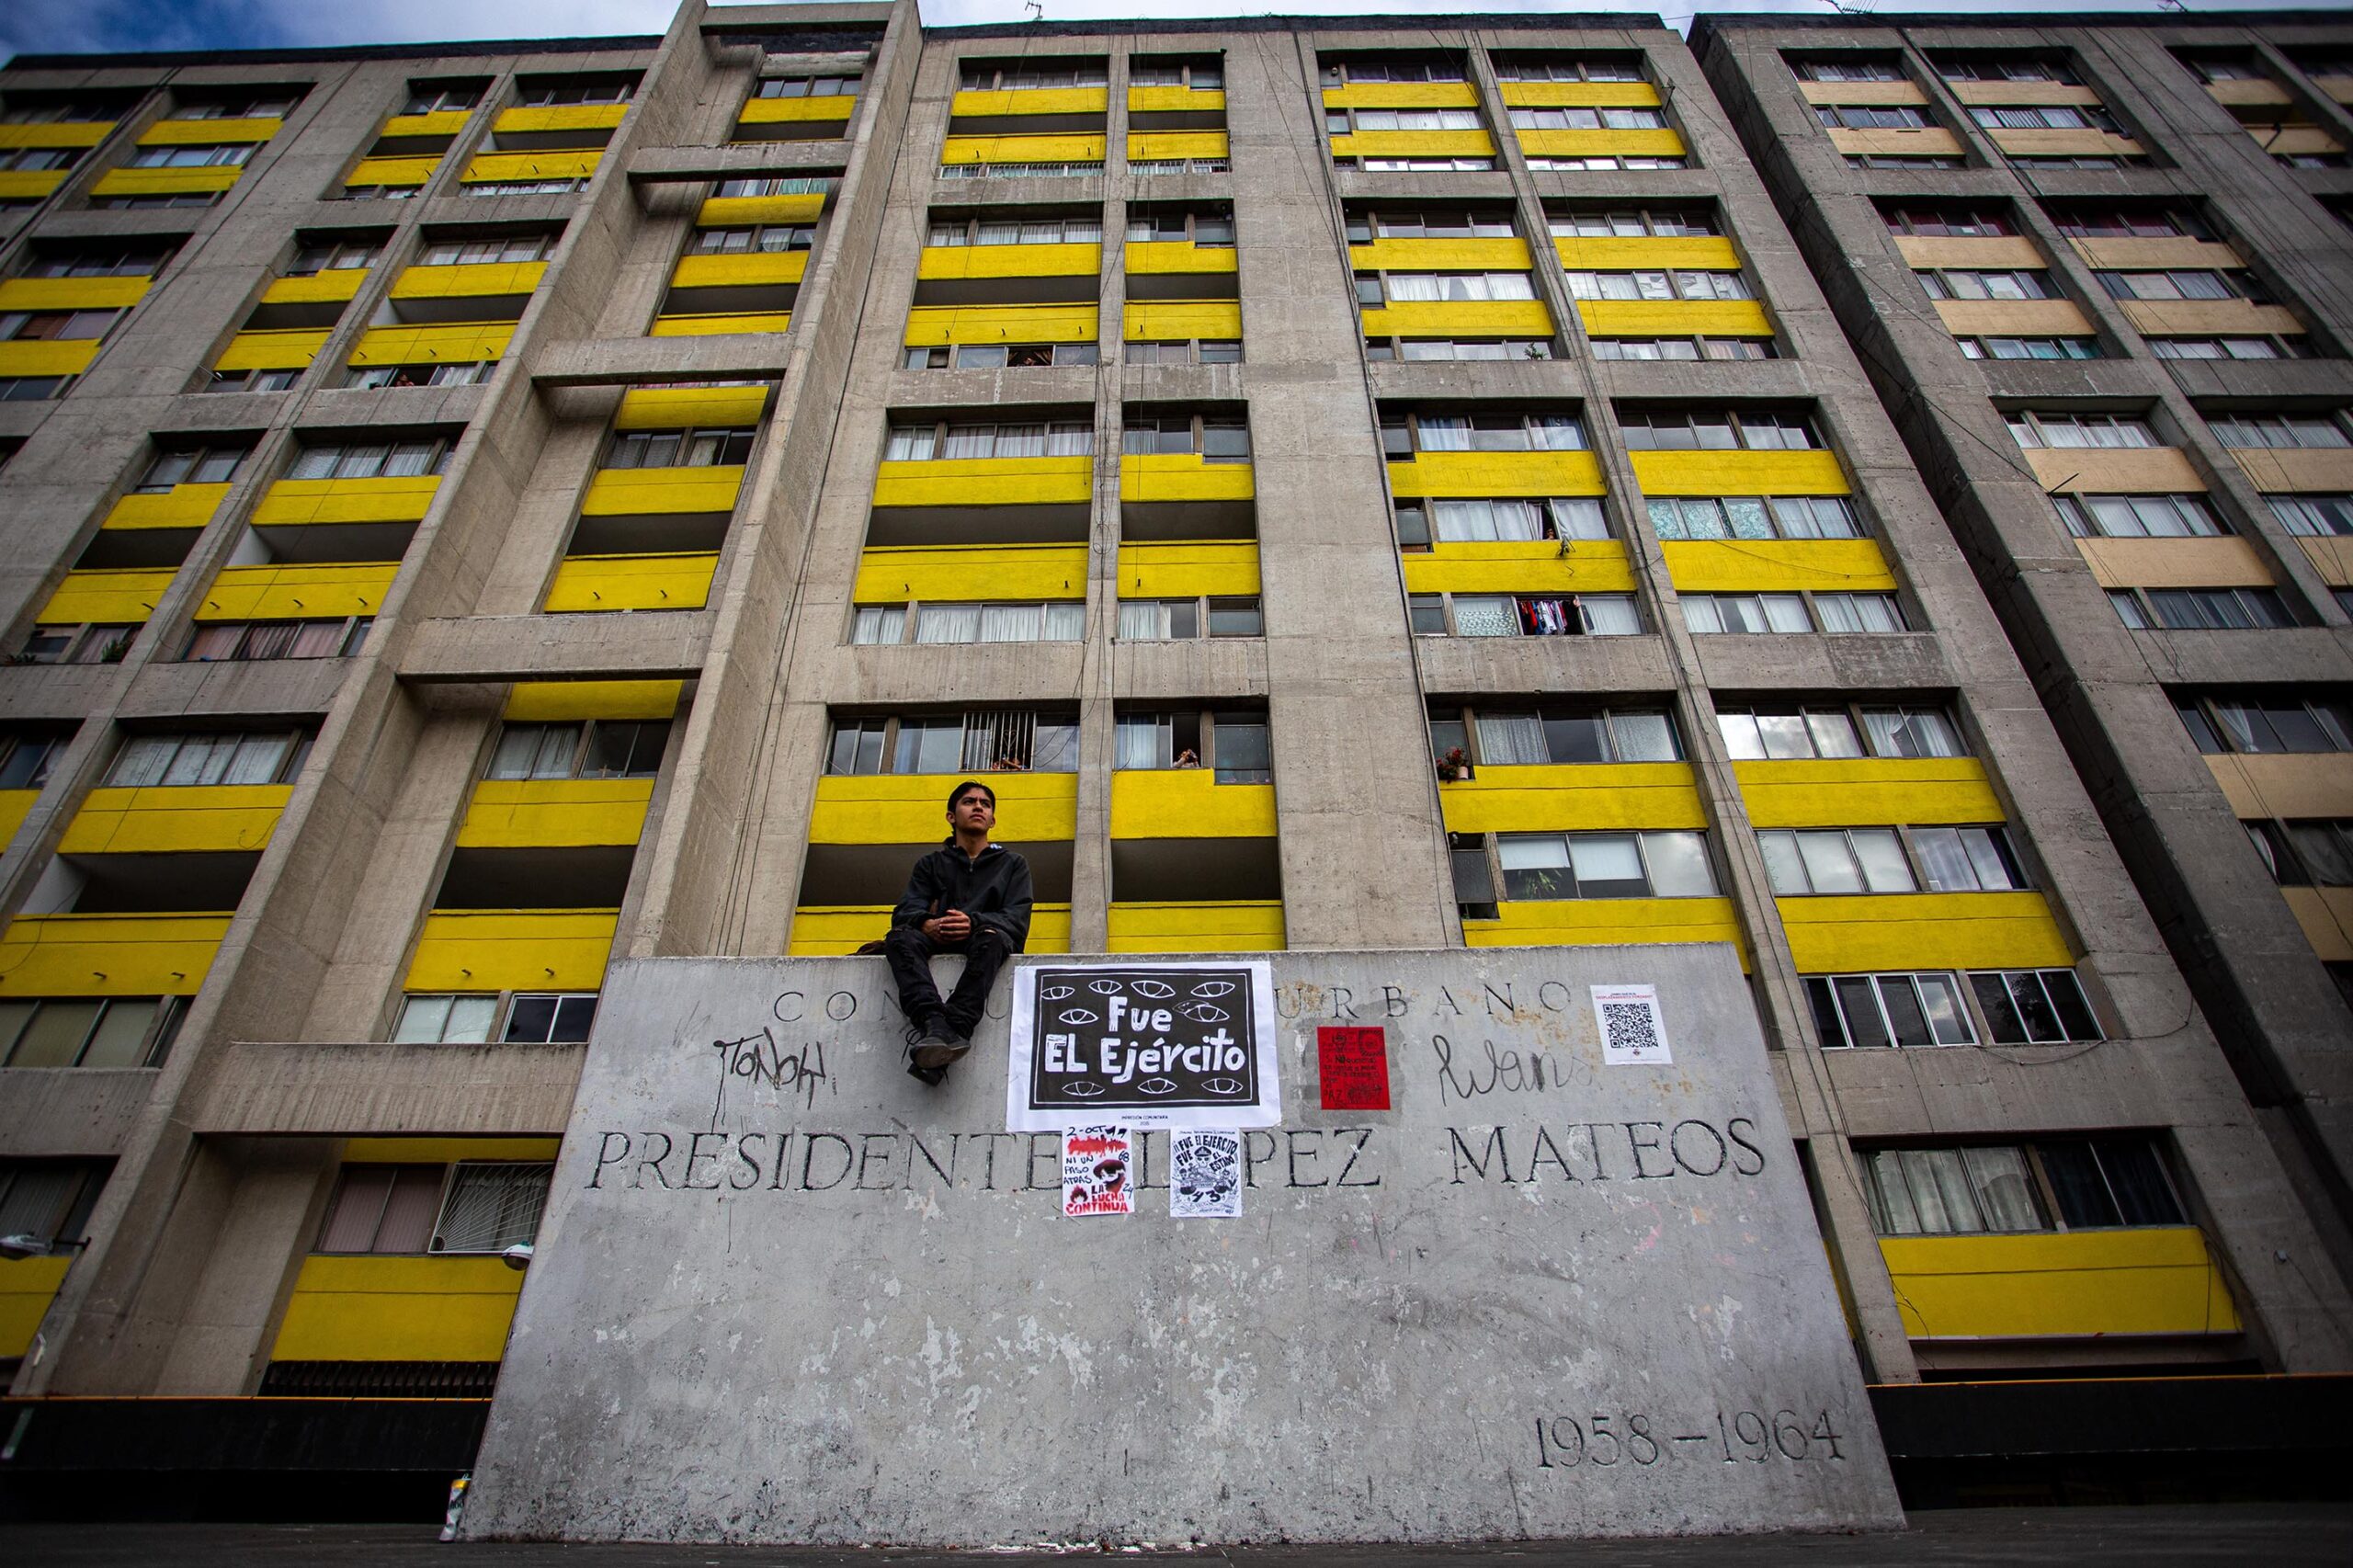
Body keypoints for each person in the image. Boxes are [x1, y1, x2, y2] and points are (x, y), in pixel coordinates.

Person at [884, 779, 1032, 1084]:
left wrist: (974, 922)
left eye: (985, 804)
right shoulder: (930, 864)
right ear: (951, 816)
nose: (978, 806)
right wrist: (928, 922)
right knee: (899, 938)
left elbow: (1017, 920)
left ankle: (948, 1032)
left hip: (984, 939)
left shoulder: (1013, 864)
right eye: (969, 801)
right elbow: (904, 912)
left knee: (992, 939)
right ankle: (933, 1022)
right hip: (935, 938)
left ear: (992, 819)